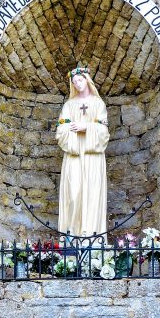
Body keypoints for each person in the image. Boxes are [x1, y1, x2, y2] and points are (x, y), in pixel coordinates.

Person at [55, 66, 109, 237]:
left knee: (92, 195)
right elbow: (61, 130)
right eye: (74, 82)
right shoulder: (69, 105)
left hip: (93, 158)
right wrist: (71, 130)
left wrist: (86, 127)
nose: (77, 84)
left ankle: (91, 238)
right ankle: (71, 238)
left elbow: (104, 132)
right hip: (74, 156)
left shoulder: (98, 104)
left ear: (87, 80)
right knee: (73, 195)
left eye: (80, 80)